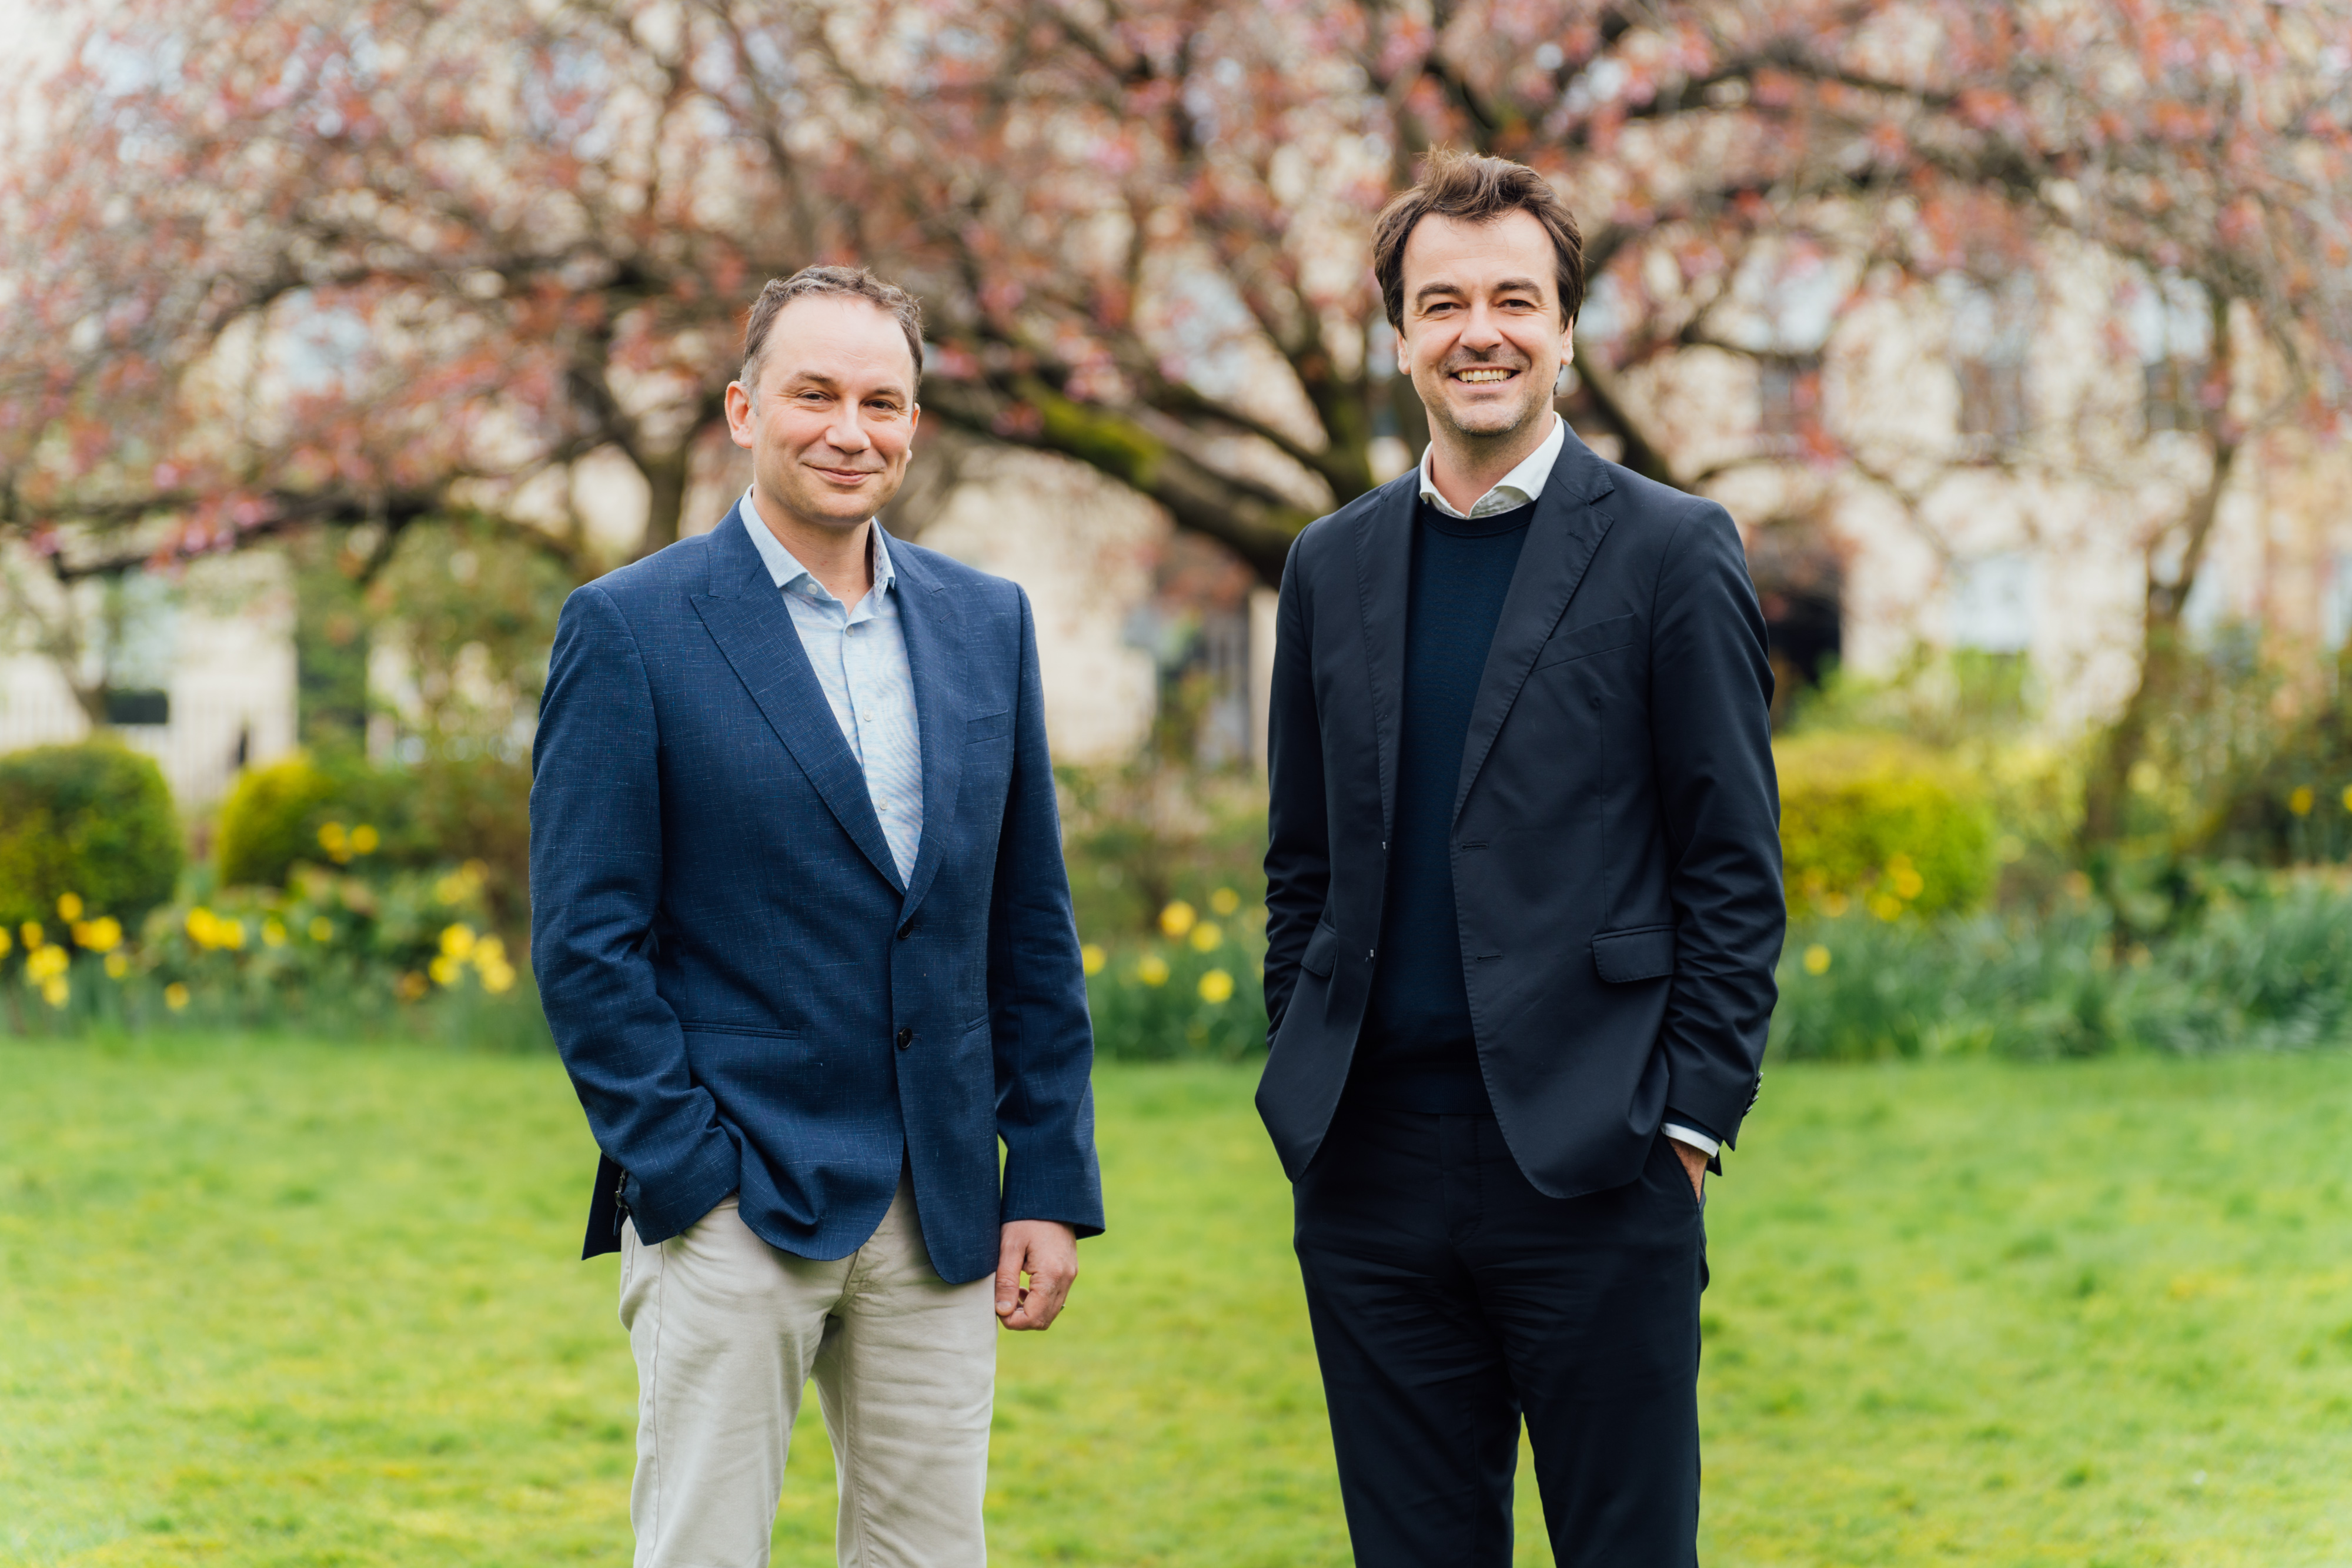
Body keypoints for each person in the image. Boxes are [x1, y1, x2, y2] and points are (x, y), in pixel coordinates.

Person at [530, 265, 1102, 1568]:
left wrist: (1050, 1179)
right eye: (816, 394)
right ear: (743, 409)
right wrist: (684, 1172)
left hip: (943, 1204)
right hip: (732, 1198)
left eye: (883, 401)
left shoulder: (984, 622)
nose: (852, 428)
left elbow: (1027, 928)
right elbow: (584, 942)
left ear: (912, 424)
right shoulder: (628, 628)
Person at [1258, 151, 1784, 1566]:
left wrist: (1685, 1125)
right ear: (1399, 335)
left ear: (1564, 328)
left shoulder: (1672, 551)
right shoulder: (1328, 564)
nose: (1476, 330)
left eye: (1510, 299)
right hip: (1368, 1173)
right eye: (1441, 303)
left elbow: (1733, 865)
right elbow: (1299, 861)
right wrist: (1303, 1067)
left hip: (1596, 1161)